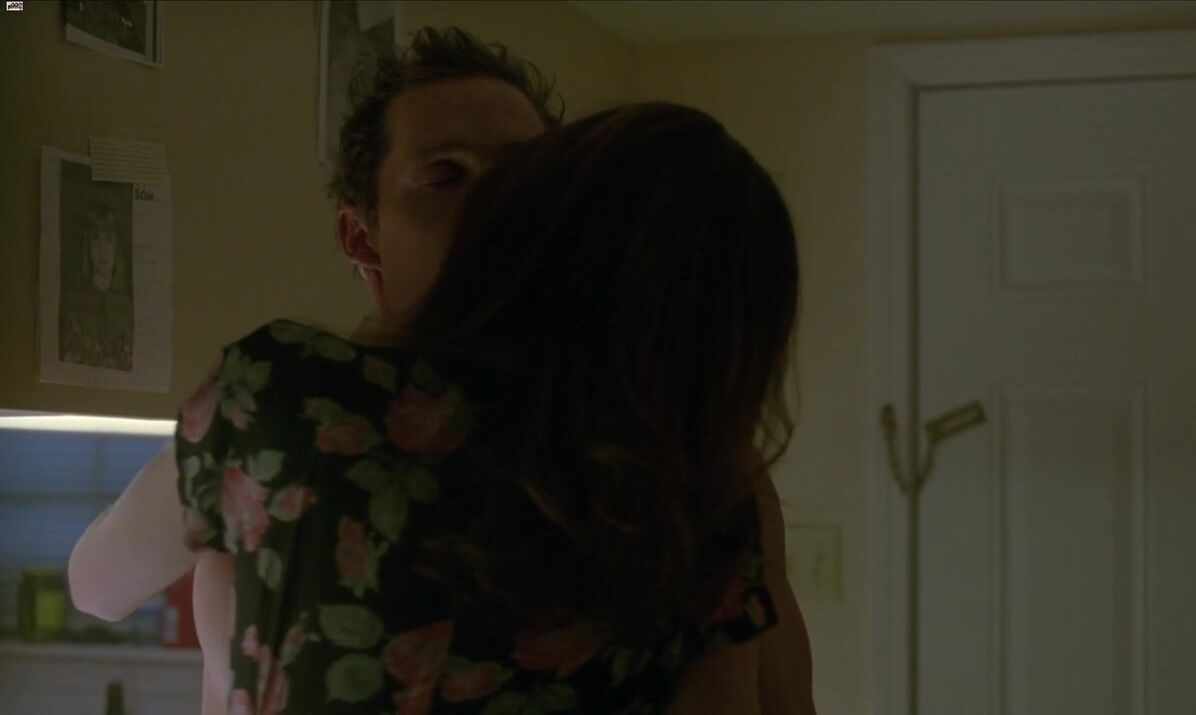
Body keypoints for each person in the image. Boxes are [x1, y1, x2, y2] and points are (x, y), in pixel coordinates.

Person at [68, 28, 814, 714]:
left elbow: (99, 584)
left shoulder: (675, 464)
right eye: (446, 176)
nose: (495, 204)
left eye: (524, 176)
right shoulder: (296, 410)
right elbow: (96, 586)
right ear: (364, 239)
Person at [59, 200, 134, 370]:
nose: (102, 249)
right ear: (88, 246)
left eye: (109, 240)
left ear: (117, 247)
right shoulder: (72, 303)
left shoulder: (129, 306)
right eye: (95, 239)